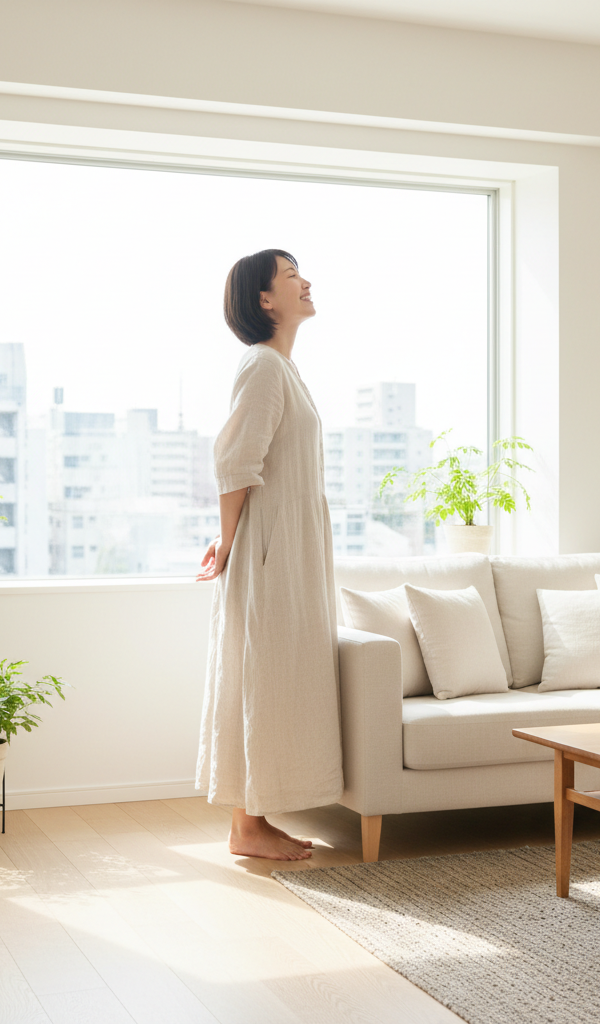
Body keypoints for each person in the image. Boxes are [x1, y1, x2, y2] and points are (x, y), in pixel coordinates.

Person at [196, 249, 343, 861]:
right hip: (269, 552)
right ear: (264, 299)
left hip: (289, 547)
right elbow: (235, 460)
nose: (306, 282)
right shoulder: (262, 365)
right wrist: (230, 541)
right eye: (291, 276)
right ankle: (247, 827)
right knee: (263, 675)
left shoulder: (282, 369)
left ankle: (252, 821)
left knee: (277, 677)